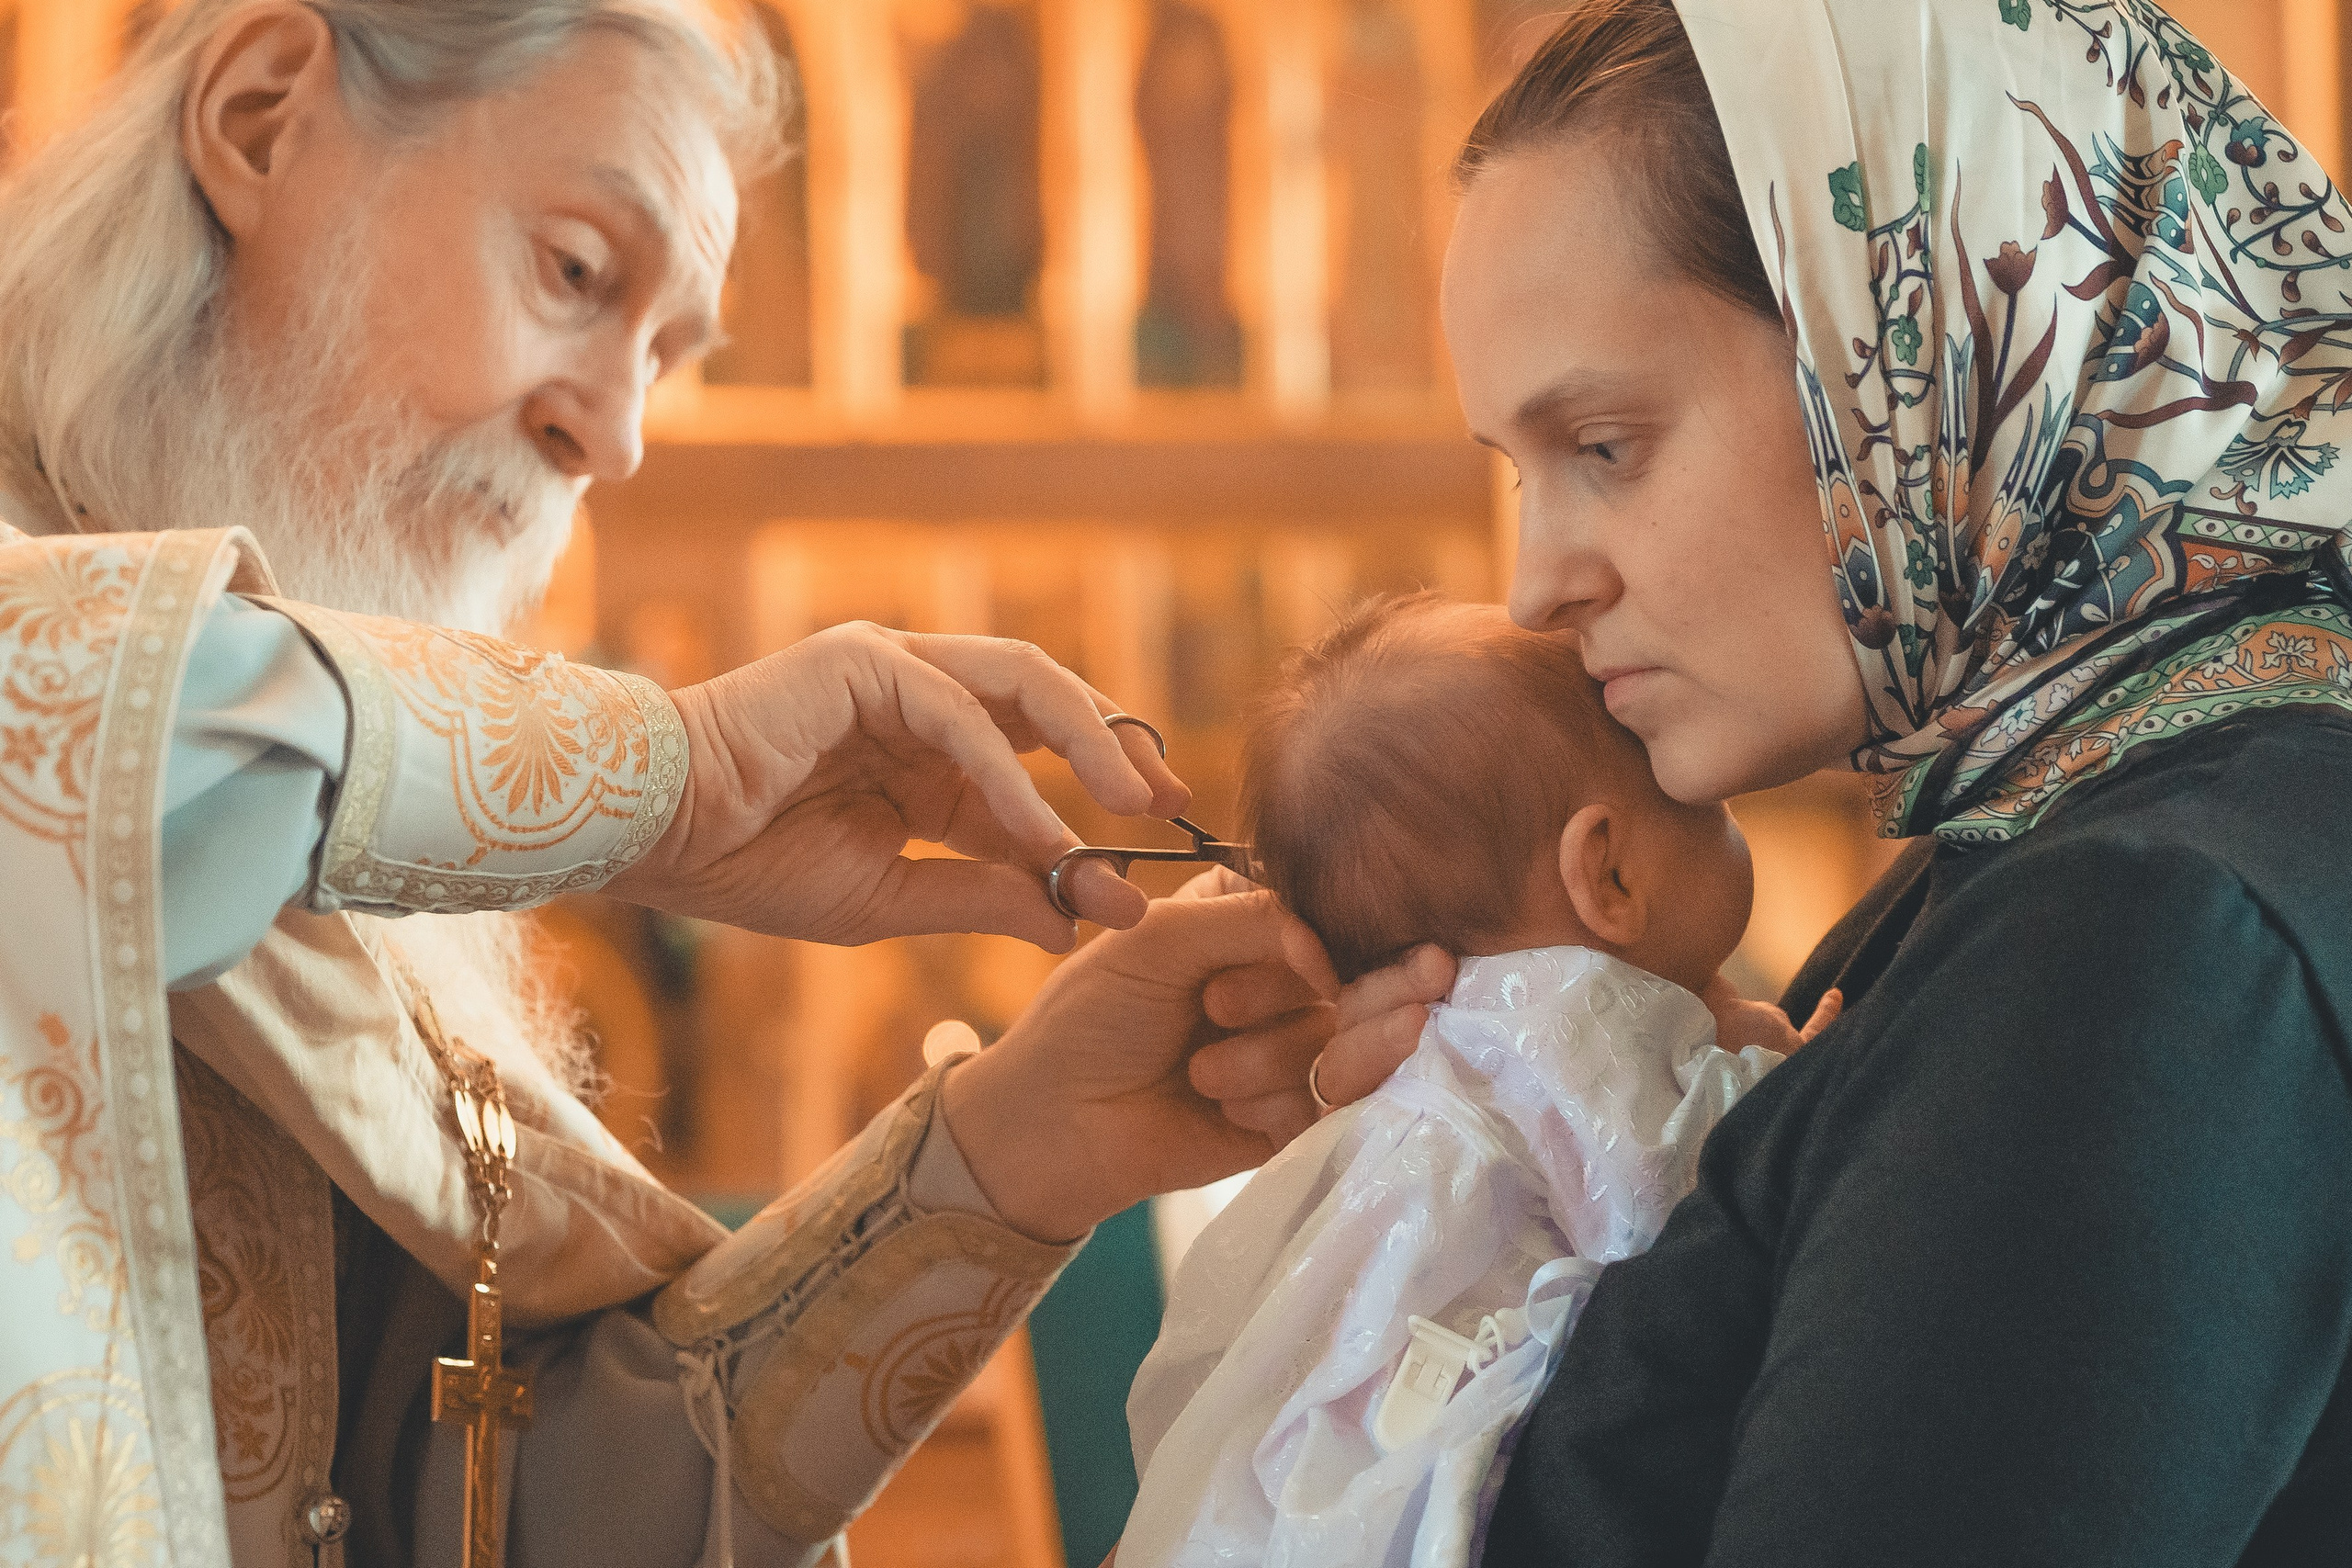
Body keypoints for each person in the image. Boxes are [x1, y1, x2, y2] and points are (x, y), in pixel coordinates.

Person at [0, 6, 1352, 1565]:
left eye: (663, 358)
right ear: (258, 117)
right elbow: (76, 734)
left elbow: (477, 1509)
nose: (616, 434)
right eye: (577, 271)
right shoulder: (156, 700)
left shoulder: (332, 810)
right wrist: (665, 774)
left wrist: (1017, 1149)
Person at [1262, 0, 2352, 1561]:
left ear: (1918, 342)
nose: (1535, 582)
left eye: (1606, 444)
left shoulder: (2146, 940)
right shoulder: (2070, 832)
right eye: (1518, 469)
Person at [1117, 594, 1820, 1568]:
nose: (1724, 809)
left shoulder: (1460, 1043)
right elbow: (1662, 1206)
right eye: (1698, 798)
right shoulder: (1572, 1017)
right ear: (1606, 875)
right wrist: (1780, 1069)